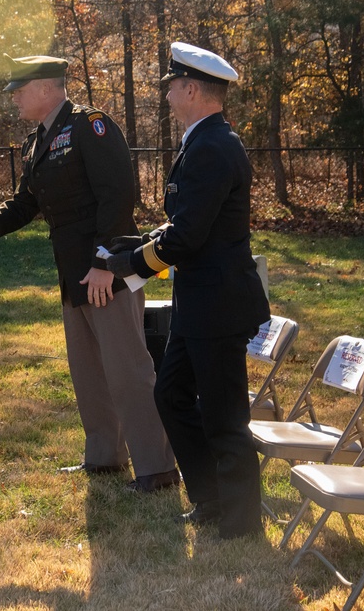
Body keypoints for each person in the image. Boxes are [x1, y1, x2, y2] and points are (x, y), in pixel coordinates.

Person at [0, 55, 179, 492]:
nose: (15, 99)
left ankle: (157, 467)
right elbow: (25, 204)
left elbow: (118, 196)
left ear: (46, 88)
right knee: (88, 371)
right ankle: (104, 456)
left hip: (107, 272)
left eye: (20, 90)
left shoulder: (90, 125)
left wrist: (102, 262)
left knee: (127, 369)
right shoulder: (36, 141)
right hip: (73, 274)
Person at [105, 43, 271, 538]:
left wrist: (130, 264)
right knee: (172, 394)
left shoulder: (213, 146)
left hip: (216, 306)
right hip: (199, 303)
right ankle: (211, 498)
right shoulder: (204, 143)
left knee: (224, 416)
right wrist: (141, 242)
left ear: (193, 89)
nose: (169, 96)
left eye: (173, 87)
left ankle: (240, 523)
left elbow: (188, 235)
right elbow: (186, 222)